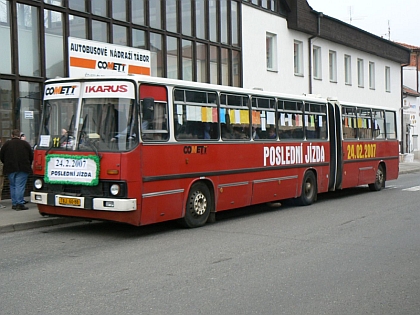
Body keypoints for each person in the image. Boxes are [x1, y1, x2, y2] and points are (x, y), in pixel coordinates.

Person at [0, 129, 33, 211]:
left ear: (12, 135)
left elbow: (1, 156)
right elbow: (31, 156)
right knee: (20, 185)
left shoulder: (6, 144)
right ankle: (19, 203)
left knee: (13, 185)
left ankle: (14, 203)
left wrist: (6, 163)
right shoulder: (25, 144)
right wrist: (29, 164)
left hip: (10, 168)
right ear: (19, 136)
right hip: (23, 167)